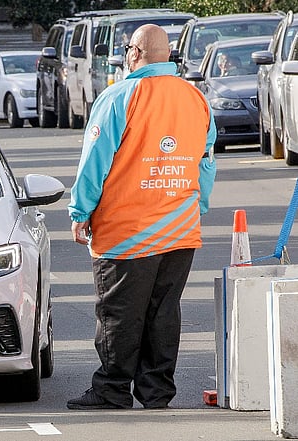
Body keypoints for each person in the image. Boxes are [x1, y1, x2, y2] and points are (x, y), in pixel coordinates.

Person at [66, 24, 217, 410]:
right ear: (167, 55)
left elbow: (95, 162)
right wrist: (195, 206)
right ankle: (156, 391)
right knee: (163, 313)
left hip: (127, 232)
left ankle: (112, 390)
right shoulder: (195, 98)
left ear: (134, 53)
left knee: (119, 314)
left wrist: (80, 210)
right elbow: (206, 163)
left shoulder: (120, 97)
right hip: (180, 230)